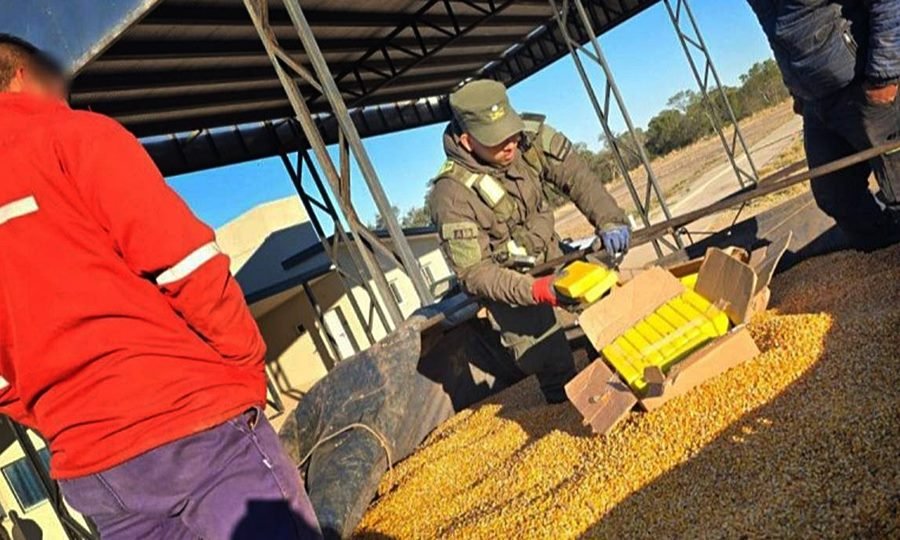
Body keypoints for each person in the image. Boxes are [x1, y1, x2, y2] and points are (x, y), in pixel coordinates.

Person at [0, 34, 321, 539]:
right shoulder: (72, 136)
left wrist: (66, 422)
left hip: (97, 474)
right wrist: (243, 368)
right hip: (191, 425)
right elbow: (186, 264)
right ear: (23, 76)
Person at [429, 79, 630, 404]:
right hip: (510, 283)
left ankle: (615, 384)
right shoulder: (450, 196)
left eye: (511, 132)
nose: (510, 145)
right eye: (497, 141)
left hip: (550, 251)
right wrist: (537, 290)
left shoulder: (529, 138)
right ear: (467, 142)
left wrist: (610, 219)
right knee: (549, 358)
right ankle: (565, 406)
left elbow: (577, 178)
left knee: (607, 311)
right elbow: (476, 274)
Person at [746, 0, 900, 250]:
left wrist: (885, 75)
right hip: (816, 104)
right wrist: (795, 90)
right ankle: (884, 251)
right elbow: (778, 35)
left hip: (863, 85)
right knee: (834, 193)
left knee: (897, 183)